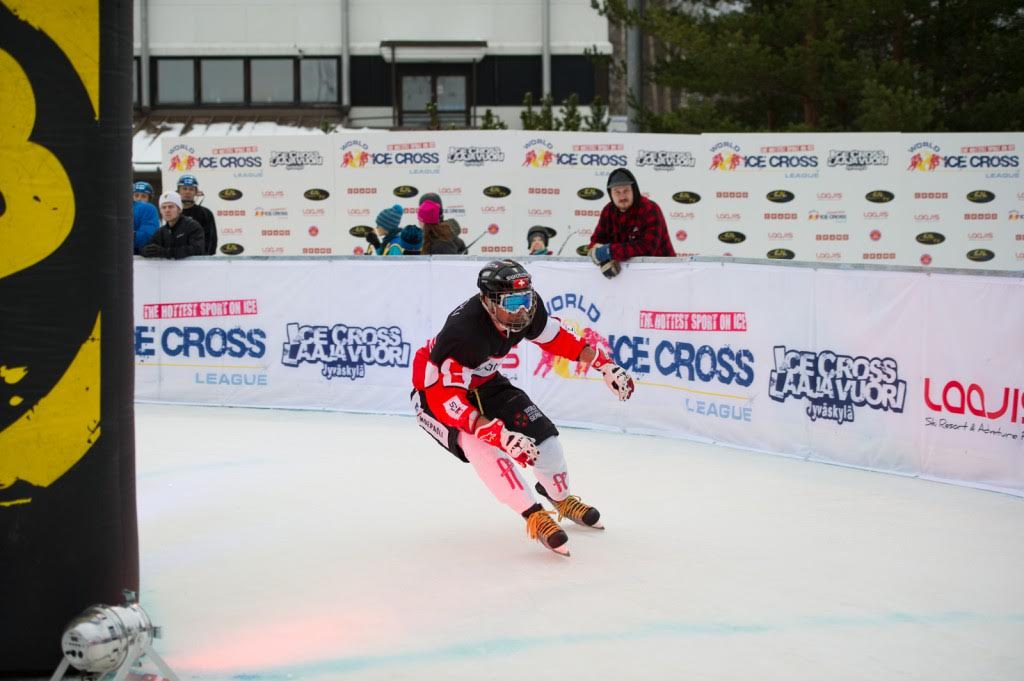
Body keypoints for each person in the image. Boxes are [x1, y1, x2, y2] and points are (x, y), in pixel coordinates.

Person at [410, 259, 635, 556]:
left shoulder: (528, 309)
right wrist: (497, 434)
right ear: (489, 303)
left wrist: (603, 364)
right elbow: (447, 398)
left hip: (484, 380)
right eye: (512, 302)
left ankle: (560, 498)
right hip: (436, 395)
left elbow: (556, 338)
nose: (522, 311)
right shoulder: (463, 333)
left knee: (546, 440)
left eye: (526, 300)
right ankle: (532, 514)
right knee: (484, 449)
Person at [588, 167, 675, 278]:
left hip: (662, 273)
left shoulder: (650, 209)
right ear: (610, 194)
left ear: (634, 190)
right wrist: (605, 262)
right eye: (617, 192)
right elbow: (595, 243)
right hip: (626, 278)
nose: (622, 196)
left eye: (626, 191)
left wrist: (609, 252)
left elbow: (647, 248)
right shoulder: (608, 211)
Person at [140, 191, 206, 259]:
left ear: (179, 209)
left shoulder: (192, 226)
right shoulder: (161, 232)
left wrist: (165, 252)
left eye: (171, 207)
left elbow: (197, 249)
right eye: (164, 207)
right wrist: (145, 251)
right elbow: (147, 247)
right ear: (160, 211)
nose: (167, 210)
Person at [177, 174, 218, 255]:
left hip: (200, 260)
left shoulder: (206, 213)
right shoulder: (173, 212)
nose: (187, 192)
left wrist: (206, 259)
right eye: (184, 188)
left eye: (191, 189)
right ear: (179, 191)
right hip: (177, 259)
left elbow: (212, 239)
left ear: (196, 192)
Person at [132, 181, 160, 255]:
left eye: (143, 196)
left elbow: (147, 237)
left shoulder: (149, 209)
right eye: (136, 195)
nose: (139, 199)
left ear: (149, 199)